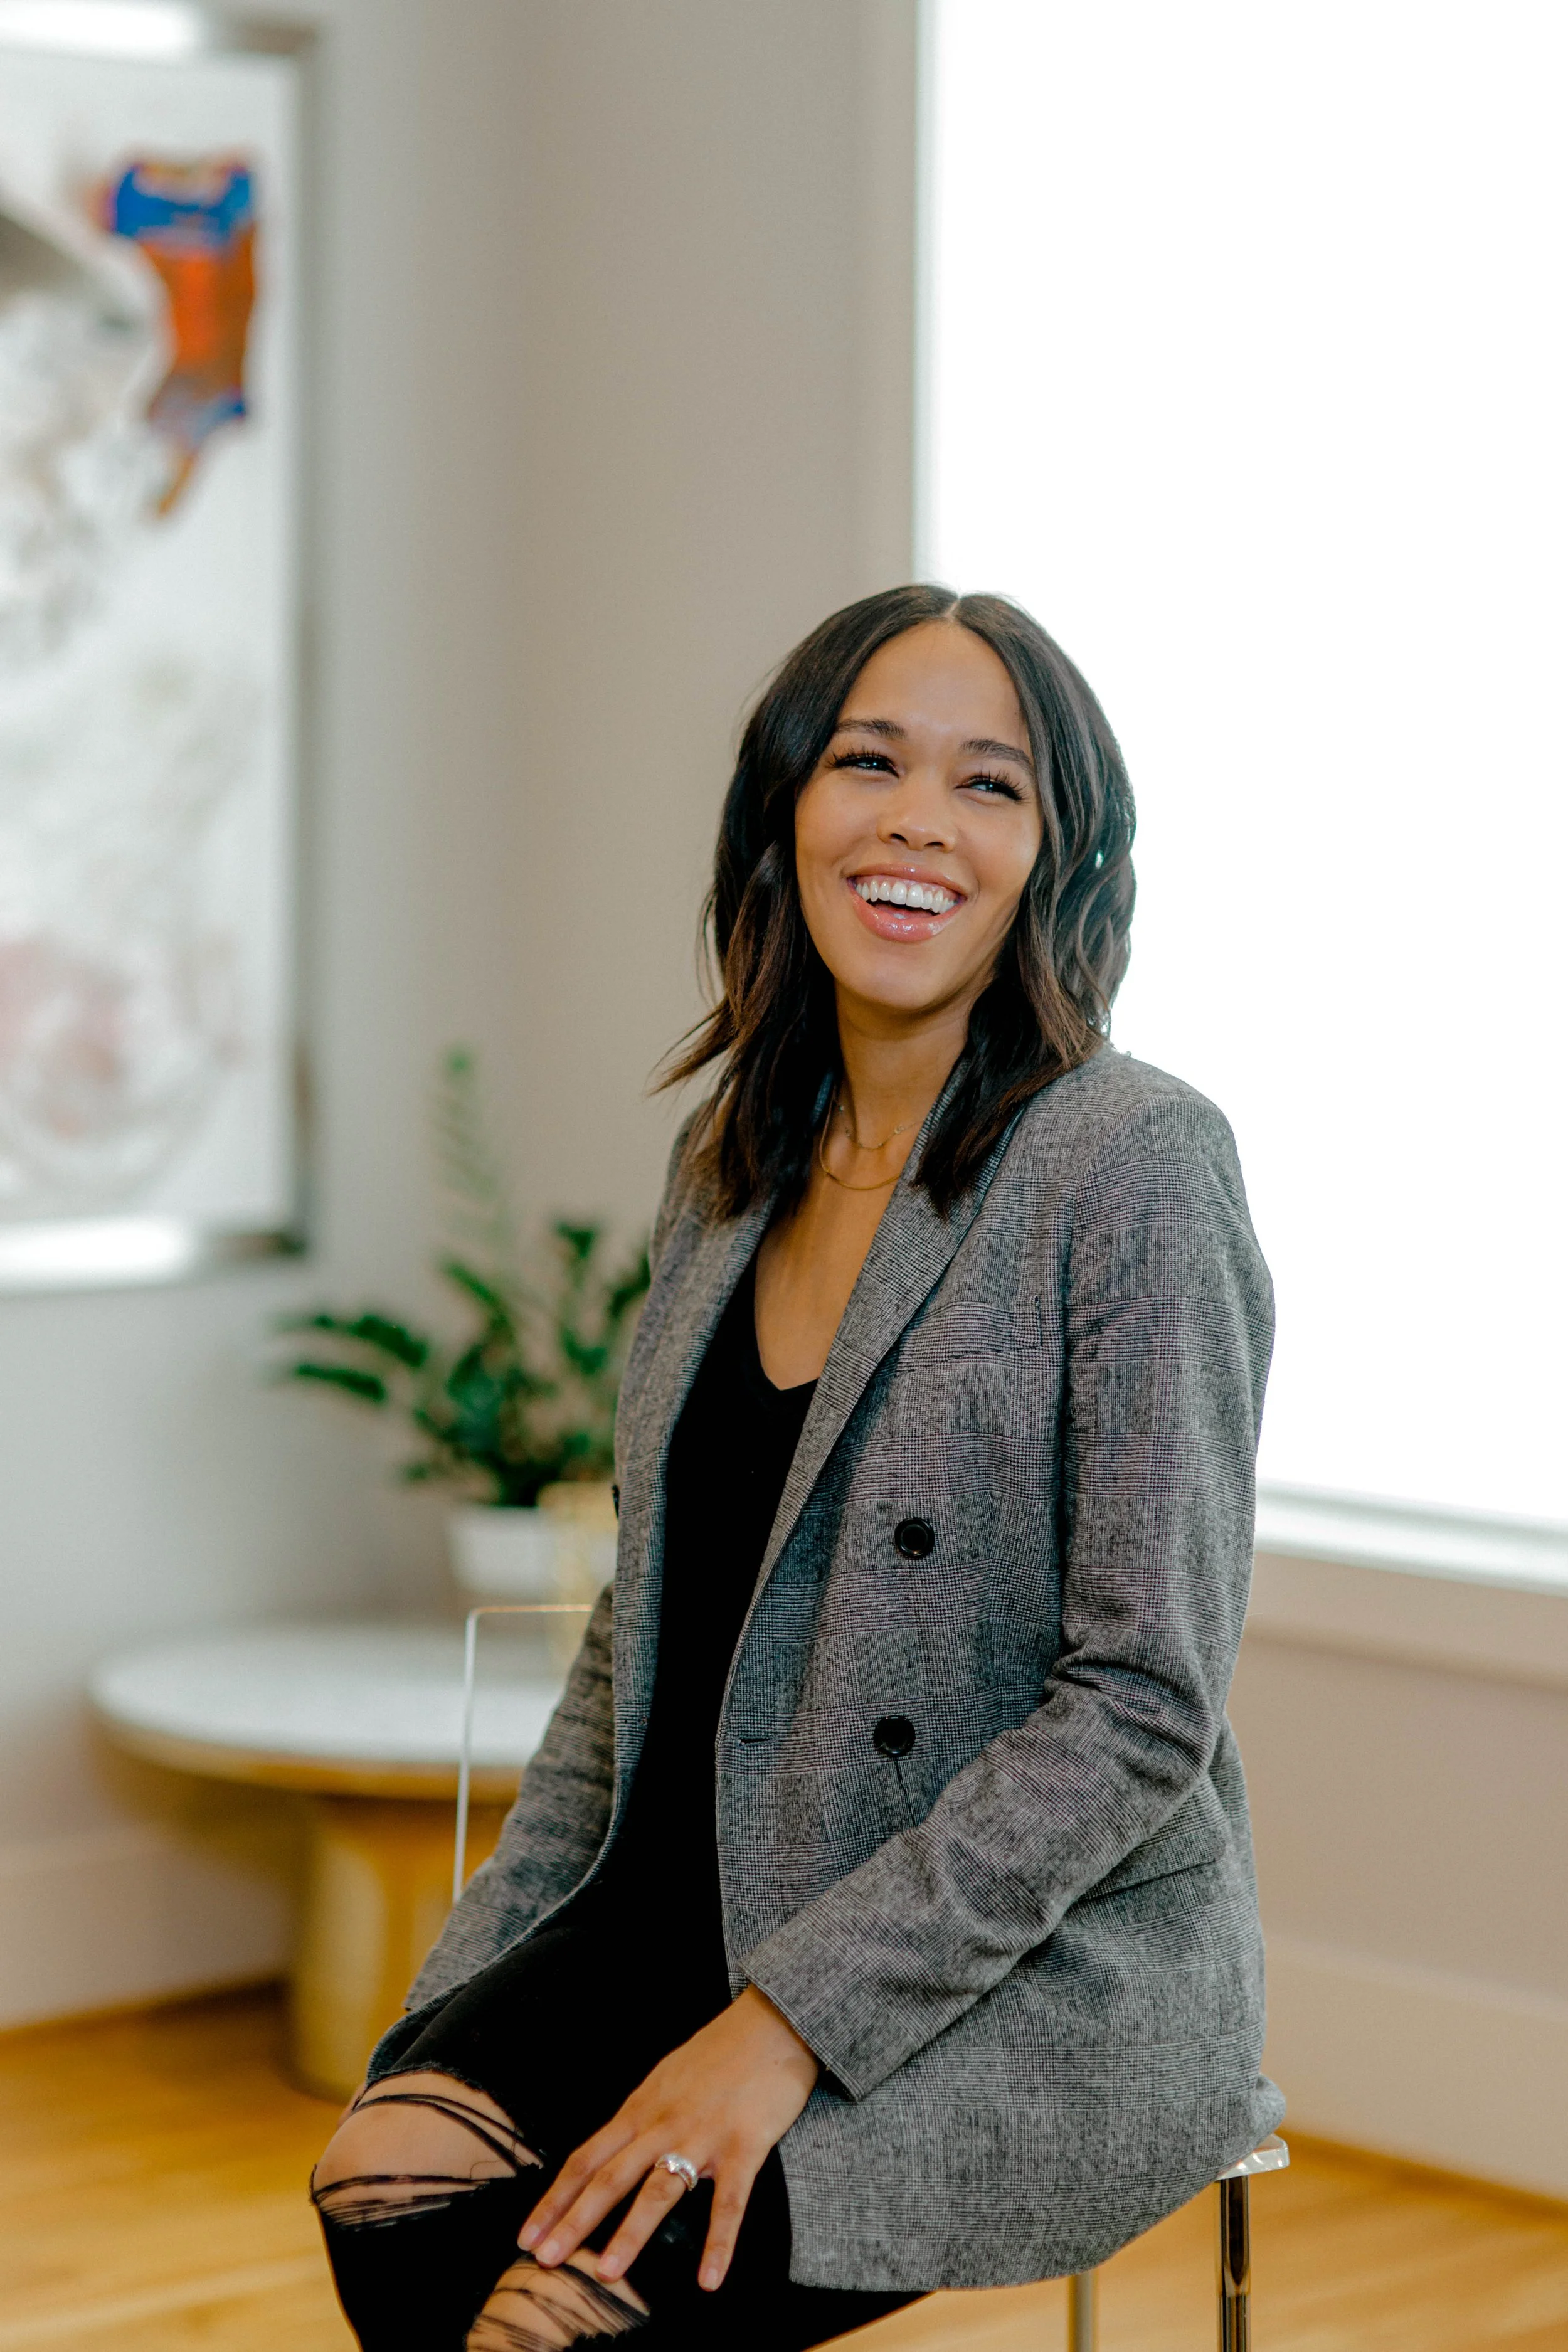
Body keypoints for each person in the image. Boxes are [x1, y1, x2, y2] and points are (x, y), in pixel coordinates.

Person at [311, 586, 1283, 2350]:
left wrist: (781, 2029)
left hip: (1012, 1964)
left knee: (568, 2308)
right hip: (678, 1889)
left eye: (989, 784)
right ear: (786, 814)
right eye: (867, 761)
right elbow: (638, 1635)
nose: (919, 817)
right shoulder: (727, 1157)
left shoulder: (1132, 1160)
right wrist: (476, 1977)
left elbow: (1140, 1700)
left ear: (1056, 857)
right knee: (389, 2173)